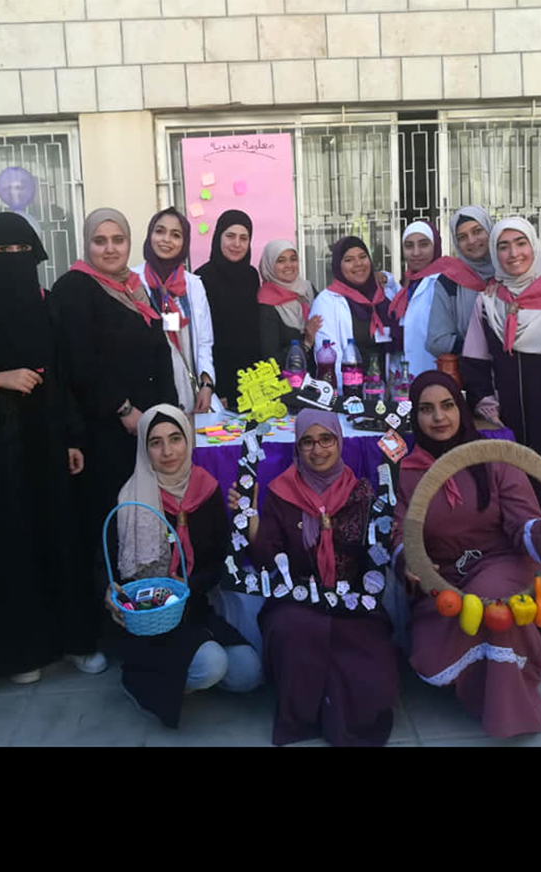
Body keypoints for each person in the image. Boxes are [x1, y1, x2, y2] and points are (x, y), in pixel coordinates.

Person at [393, 370, 541, 738]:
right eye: (426, 409)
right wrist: (411, 562)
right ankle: (477, 692)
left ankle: (509, 712)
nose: (439, 417)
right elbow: (399, 533)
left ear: (461, 408)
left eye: (448, 406)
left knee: (493, 603)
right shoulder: (406, 471)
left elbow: (522, 522)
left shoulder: (494, 457)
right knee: (443, 634)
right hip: (444, 578)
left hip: (500, 562)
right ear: (414, 416)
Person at [0, 211, 96, 685]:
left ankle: (73, 640)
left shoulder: (46, 301)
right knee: (13, 542)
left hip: (49, 437)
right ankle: (23, 652)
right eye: (2, 252)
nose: (14, 259)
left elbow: (64, 373)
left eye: (22, 251)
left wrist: (73, 436)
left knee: (60, 534)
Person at [50, 208, 177, 658]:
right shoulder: (75, 289)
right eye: (99, 240)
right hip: (103, 434)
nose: (109, 248)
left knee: (142, 527)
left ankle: (147, 620)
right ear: (87, 244)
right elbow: (79, 361)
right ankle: (102, 633)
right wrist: (123, 409)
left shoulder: (133, 286)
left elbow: (159, 351)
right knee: (106, 530)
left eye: (117, 239)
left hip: (145, 432)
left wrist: (166, 418)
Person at [232, 410, 398, 747]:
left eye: (326, 439)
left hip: (353, 600)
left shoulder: (362, 492)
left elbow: (375, 554)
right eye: (307, 442)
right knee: (296, 633)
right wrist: (250, 519)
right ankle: (307, 716)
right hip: (297, 600)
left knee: (374, 678)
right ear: (297, 447)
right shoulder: (281, 493)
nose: (317, 450)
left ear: (339, 441)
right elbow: (266, 560)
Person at [105, 405, 262, 728]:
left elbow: (221, 559)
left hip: (195, 608)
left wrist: (190, 585)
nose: (167, 451)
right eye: (156, 442)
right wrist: (108, 591)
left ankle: (185, 672)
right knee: (212, 664)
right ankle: (144, 680)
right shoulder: (130, 496)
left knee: (249, 672)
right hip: (149, 617)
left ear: (188, 440)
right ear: (144, 448)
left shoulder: (206, 488)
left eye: (175, 439)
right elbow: (104, 561)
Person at [461, 217, 541, 511]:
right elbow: (475, 360)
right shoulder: (488, 302)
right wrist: (488, 405)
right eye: (503, 246)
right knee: (511, 493)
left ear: (534, 245)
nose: (513, 254)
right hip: (504, 416)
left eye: (521, 243)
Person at [133, 208, 219, 414]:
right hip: (147, 388)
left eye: (175, 235)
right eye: (160, 231)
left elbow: (204, 341)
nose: (166, 240)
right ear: (150, 235)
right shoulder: (132, 281)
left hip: (186, 389)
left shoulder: (194, 285)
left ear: (184, 242)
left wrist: (206, 384)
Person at [308, 236, 400, 392]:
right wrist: (349, 396)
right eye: (349, 260)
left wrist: (392, 386)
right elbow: (329, 359)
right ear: (338, 265)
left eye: (363, 257)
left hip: (386, 393)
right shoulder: (326, 302)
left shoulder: (384, 296)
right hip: (349, 395)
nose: (358, 264)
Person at [194, 210, 261, 409]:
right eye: (230, 236)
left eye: (244, 238)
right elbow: (203, 338)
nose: (237, 244)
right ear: (218, 237)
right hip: (217, 384)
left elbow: (251, 332)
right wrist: (217, 389)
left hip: (250, 384)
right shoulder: (201, 278)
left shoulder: (251, 276)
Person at [426, 206, 496, 357]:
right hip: (471, 368)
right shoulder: (450, 281)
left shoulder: (511, 272)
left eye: (477, 231)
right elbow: (436, 341)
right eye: (462, 237)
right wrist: (480, 348)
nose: (471, 241)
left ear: (490, 231)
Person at [257, 238, 321, 372]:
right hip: (289, 380)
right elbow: (270, 361)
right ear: (269, 265)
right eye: (281, 261)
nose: (289, 265)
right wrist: (306, 342)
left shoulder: (308, 290)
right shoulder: (266, 303)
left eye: (293, 259)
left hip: (320, 373)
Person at [387, 220, 441, 377]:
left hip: (434, 376)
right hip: (404, 378)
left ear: (435, 246)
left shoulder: (444, 282)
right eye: (409, 246)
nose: (416, 253)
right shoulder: (407, 285)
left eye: (423, 245)